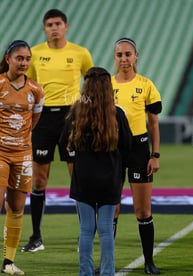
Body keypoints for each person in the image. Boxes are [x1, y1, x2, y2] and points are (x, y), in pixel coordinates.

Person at [22, 8, 94, 252]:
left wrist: (85, 110)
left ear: (66, 26)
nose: (54, 28)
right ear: (44, 28)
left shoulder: (80, 53)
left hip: (71, 118)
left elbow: (91, 84)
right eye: (49, 24)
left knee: (78, 176)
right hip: (42, 120)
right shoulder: (35, 53)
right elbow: (28, 87)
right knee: (39, 180)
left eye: (58, 24)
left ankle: (84, 234)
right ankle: (36, 237)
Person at [59, 67, 132, 276]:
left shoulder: (77, 111)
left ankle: (86, 273)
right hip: (110, 178)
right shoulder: (117, 113)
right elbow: (127, 144)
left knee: (86, 230)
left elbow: (64, 141)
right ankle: (108, 272)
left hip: (83, 178)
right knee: (106, 229)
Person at [112, 37, 162, 275]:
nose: (124, 59)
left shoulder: (146, 85)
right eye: (120, 54)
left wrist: (155, 154)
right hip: (112, 151)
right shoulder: (107, 86)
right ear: (115, 57)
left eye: (128, 54)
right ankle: (107, 263)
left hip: (139, 149)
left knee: (143, 211)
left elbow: (153, 124)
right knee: (112, 209)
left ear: (136, 56)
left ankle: (149, 262)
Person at [0, 40, 44, 275]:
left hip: (23, 154)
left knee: (16, 207)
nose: (24, 63)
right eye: (19, 58)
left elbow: (34, 121)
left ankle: (8, 262)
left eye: (27, 59)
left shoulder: (36, 90)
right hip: (0, 152)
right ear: (8, 59)